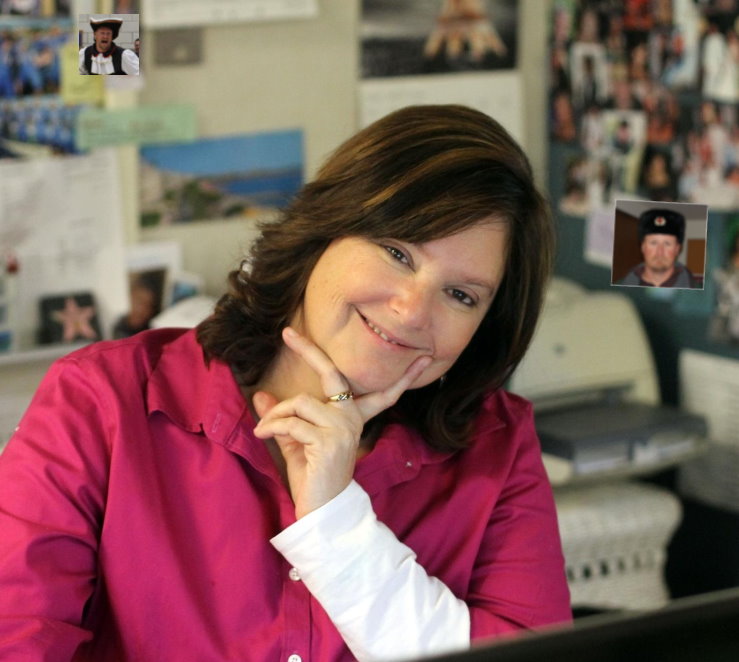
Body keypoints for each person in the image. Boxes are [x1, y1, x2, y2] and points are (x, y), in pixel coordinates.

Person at [0, 105, 571, 661]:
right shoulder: (102, 398)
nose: (412, 310)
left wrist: (339, 525)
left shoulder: (498, 444)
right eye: (397, 253)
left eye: (461, 295)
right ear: (323, 232)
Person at [620, 208, 699, 288]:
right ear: (643, 247)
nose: (660, 252)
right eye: (653, 243)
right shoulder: (620, 286)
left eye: (667, 244)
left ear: (677, 249)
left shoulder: (699, 290)